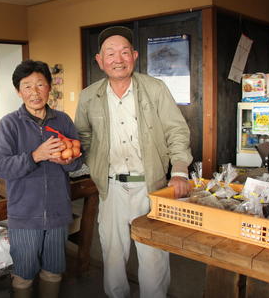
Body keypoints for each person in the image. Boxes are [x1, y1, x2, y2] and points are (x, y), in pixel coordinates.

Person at [74, 26, 192, 298]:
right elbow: (83, 137)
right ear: (100, 60)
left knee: (153, 257)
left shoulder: (155, 88)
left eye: (124, 52)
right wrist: (95, 167)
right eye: (110, 53)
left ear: (135, 56)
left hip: (151, 186)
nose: (118, 59)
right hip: (111, 188)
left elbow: (177, 130)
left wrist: (180, 170)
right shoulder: (89, 96)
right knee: (112, 256)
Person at [0, 59, 82, 298]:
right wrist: (35, 156)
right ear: (18, 91)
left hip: (58, 212)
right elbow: (0, 166)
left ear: (49, 87)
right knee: (23, 275)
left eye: (40, 85)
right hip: (24, 214)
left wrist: (68, 162)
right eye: (28, 86)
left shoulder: (62, 121)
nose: (35, 92)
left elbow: (77, 160)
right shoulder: (10, 124)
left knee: (53, 271)